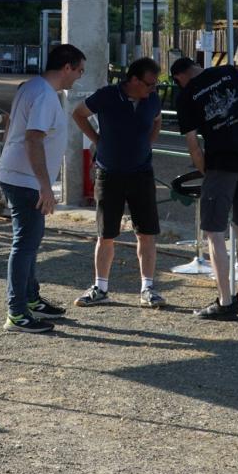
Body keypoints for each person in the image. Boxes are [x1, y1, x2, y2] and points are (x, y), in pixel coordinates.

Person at [0, 43, 87, 333]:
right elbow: (33, 139)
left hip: (18, 175)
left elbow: (15, 127)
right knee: (25, 245)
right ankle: (17, 313)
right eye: (79, 71)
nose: (79, 77)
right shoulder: (45, 96)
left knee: (29, 243)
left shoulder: (32, 86)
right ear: (67, 67)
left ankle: (30, 299)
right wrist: (46, 187)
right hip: (26, 180)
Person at [170, 56, 238, 320]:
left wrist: (204, 169)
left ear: (181, 76)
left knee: (214, 233)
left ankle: (225, 302)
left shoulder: (187, 95)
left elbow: (193, 144)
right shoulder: (229, 72)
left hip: (221, 165)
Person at [70, 57, 166, 308]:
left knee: (146, 233)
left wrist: (148, 143)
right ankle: (100, 288)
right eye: (149, 84)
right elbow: (78, 113)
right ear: (133, 79)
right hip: (109, 173)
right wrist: (97, 139)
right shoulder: (107, 95)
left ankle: (148, 288)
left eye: (155, 85)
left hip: (142, 173)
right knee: (106, 234)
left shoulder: (152, 99)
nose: (152, 90)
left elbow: (157, 120)